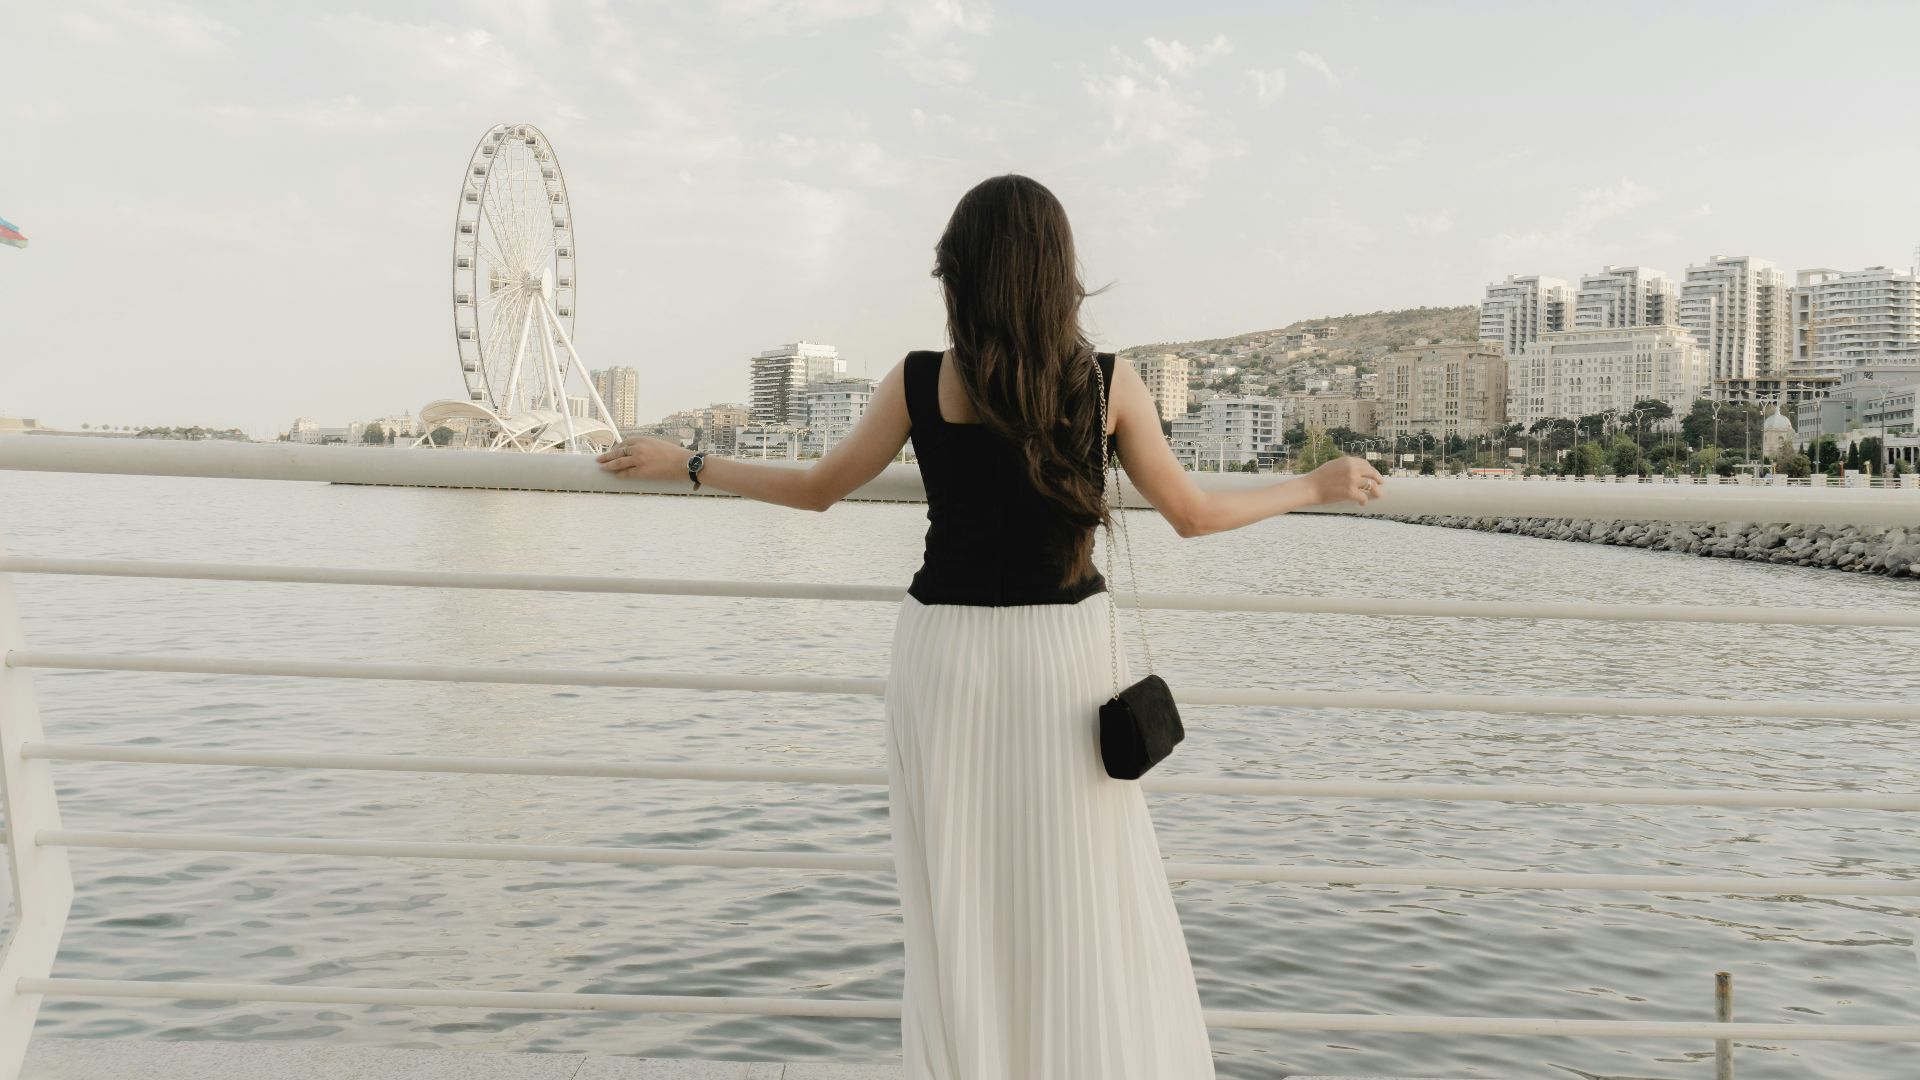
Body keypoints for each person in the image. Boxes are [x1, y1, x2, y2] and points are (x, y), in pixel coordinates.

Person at [597, 173, 1385, 1079]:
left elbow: (817, 491)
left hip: (947, 657)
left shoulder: (922, 380)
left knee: (962, 896)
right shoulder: (1106, 382)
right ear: (1059, 273)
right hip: (1063, 662)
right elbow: (1194, 515)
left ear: (960, 274)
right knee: (1081, 888)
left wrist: (690, 462)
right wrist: (1316, 486)